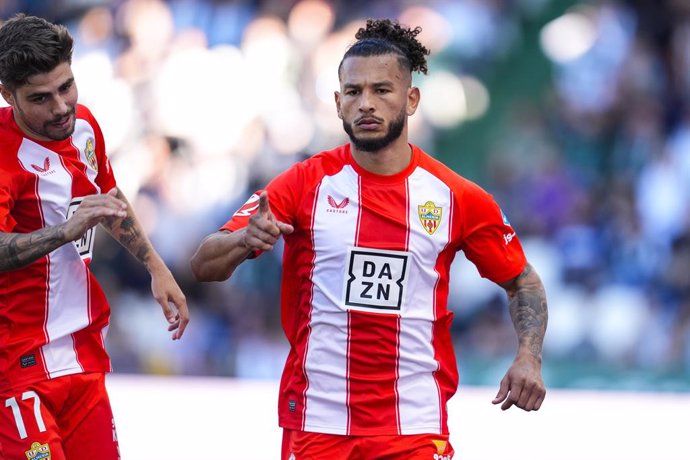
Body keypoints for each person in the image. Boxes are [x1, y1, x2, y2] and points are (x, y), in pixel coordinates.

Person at [191, 18, 547, 460]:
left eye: (382, 90)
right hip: (318, 422)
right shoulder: (303, 184)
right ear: (338, 102)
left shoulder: (457, 197)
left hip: (413, 425)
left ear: (411, 99)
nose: (367, 104)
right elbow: (203, 263)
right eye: (354, 92)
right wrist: (245, 239)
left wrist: (528, 357)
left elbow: (523, 281)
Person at [0, 14, 189, 460]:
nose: (61, 107)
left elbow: (106, 197)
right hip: (19, 365)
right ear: (8, 96)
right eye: (41, 98)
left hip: (82, 354)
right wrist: (66, 230)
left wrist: (155, 266)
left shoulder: (83, 126)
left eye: (66, 87)